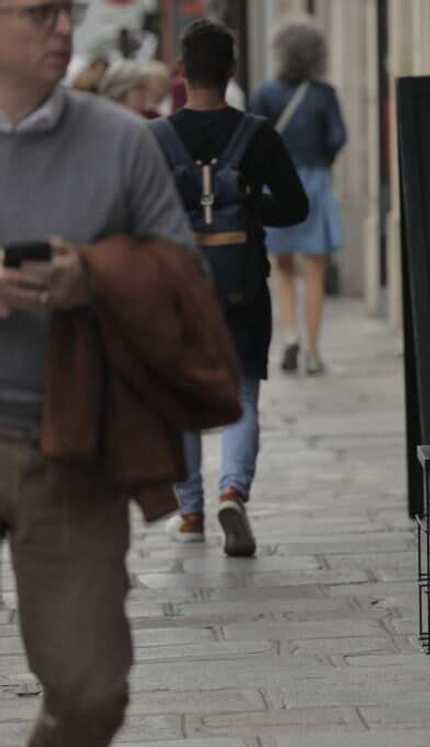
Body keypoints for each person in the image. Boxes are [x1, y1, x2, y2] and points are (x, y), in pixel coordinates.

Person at [0, 0, 218, 742]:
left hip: (67, 438)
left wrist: (92, 277)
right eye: (38, 13)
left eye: (67, 11)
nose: (62, 28)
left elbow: (186, 281)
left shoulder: (121, 140)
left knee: (91, 691)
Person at [154, 18, 308, 556]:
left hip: (178, 292)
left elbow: (138, 218)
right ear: (232, 71)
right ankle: (233, 492)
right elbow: (296, 205)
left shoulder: (158, 138)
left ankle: (191, 511)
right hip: (242, 284)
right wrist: (247, 211)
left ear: (181, 71)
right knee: (242, 394)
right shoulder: (257, 134)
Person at [250, 14, 347, 376]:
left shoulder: (264, 93)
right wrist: (321, 161)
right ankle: (313, 351)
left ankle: (289, 336)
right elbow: (338, 138)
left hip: (277, 186)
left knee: (284, 268)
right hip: (316, 183)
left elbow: (254, 141)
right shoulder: (325, 94)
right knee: (316, 270)